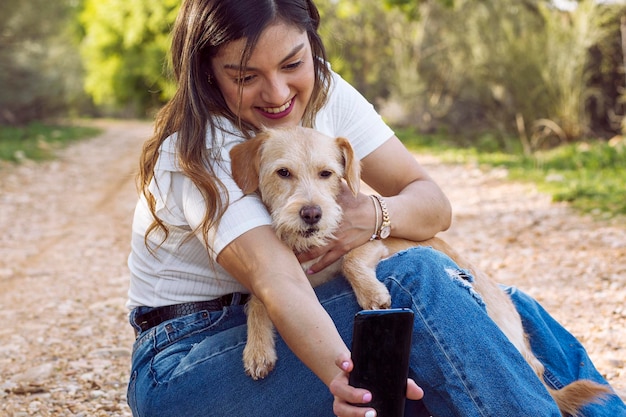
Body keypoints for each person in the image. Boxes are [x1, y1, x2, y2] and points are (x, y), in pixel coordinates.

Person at [125, 0, 626, 416]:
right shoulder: (201, 149)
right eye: (244, 75)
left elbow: (431, 202)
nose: (278, 93)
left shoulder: (324, 93)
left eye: (293, 64)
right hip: (189, 364)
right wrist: (338, 379)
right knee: (422, 279)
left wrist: (375, 214)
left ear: (312, 48)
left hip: (311, 314)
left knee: (488, 294)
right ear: (207, 72)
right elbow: (278, 282)